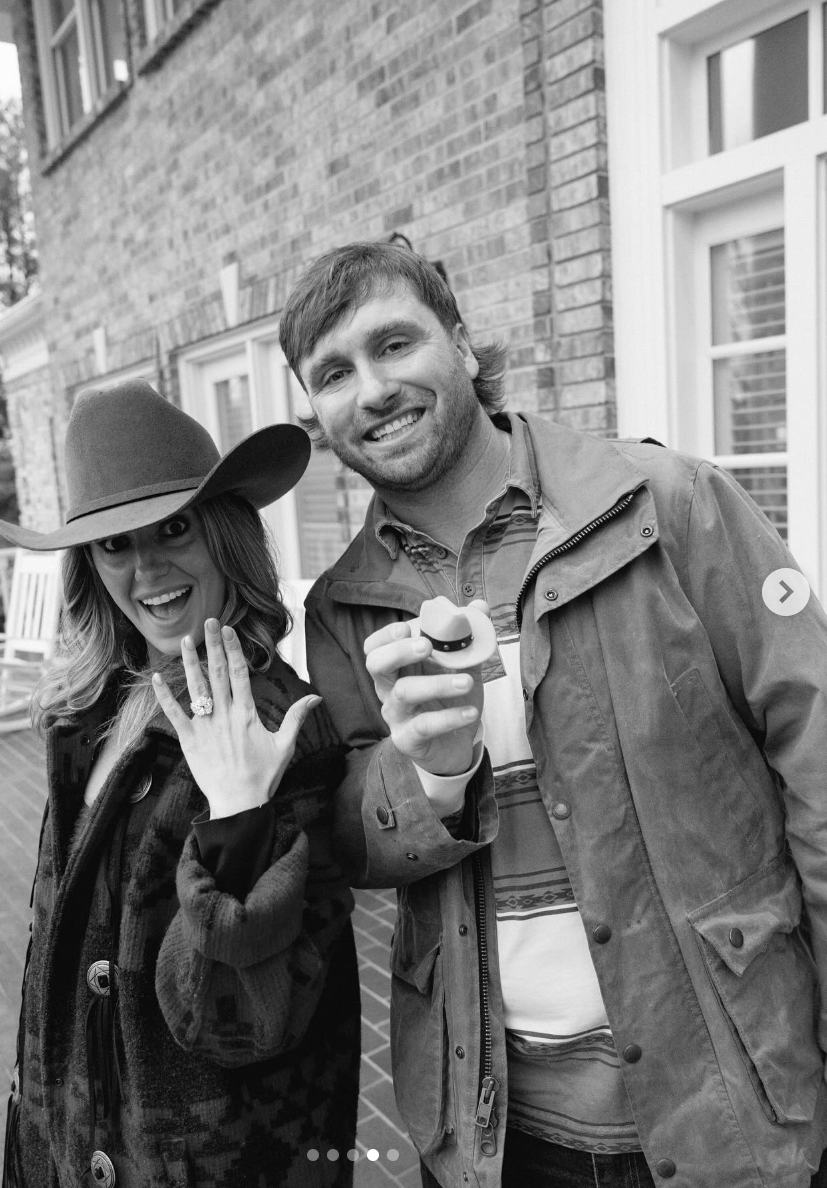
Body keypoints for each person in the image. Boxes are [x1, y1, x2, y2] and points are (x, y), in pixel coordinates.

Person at [277, 240, 827, 1188]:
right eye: (333, 373)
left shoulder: (666, 504)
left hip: (732, 1099)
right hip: (499, 1134)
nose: (371, 389)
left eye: (394, 343)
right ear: (317, 414)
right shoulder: (343, 608)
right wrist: (433, 775)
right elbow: (353, 848)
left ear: (459, 338)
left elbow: (817, 755)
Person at [0, 378, 359, 1188]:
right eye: (115, 544)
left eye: (174, 528)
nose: (147, 568)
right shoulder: (94, 710)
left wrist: (238, 821)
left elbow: (240, 1025)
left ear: (223, 532)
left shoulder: (279, 727)